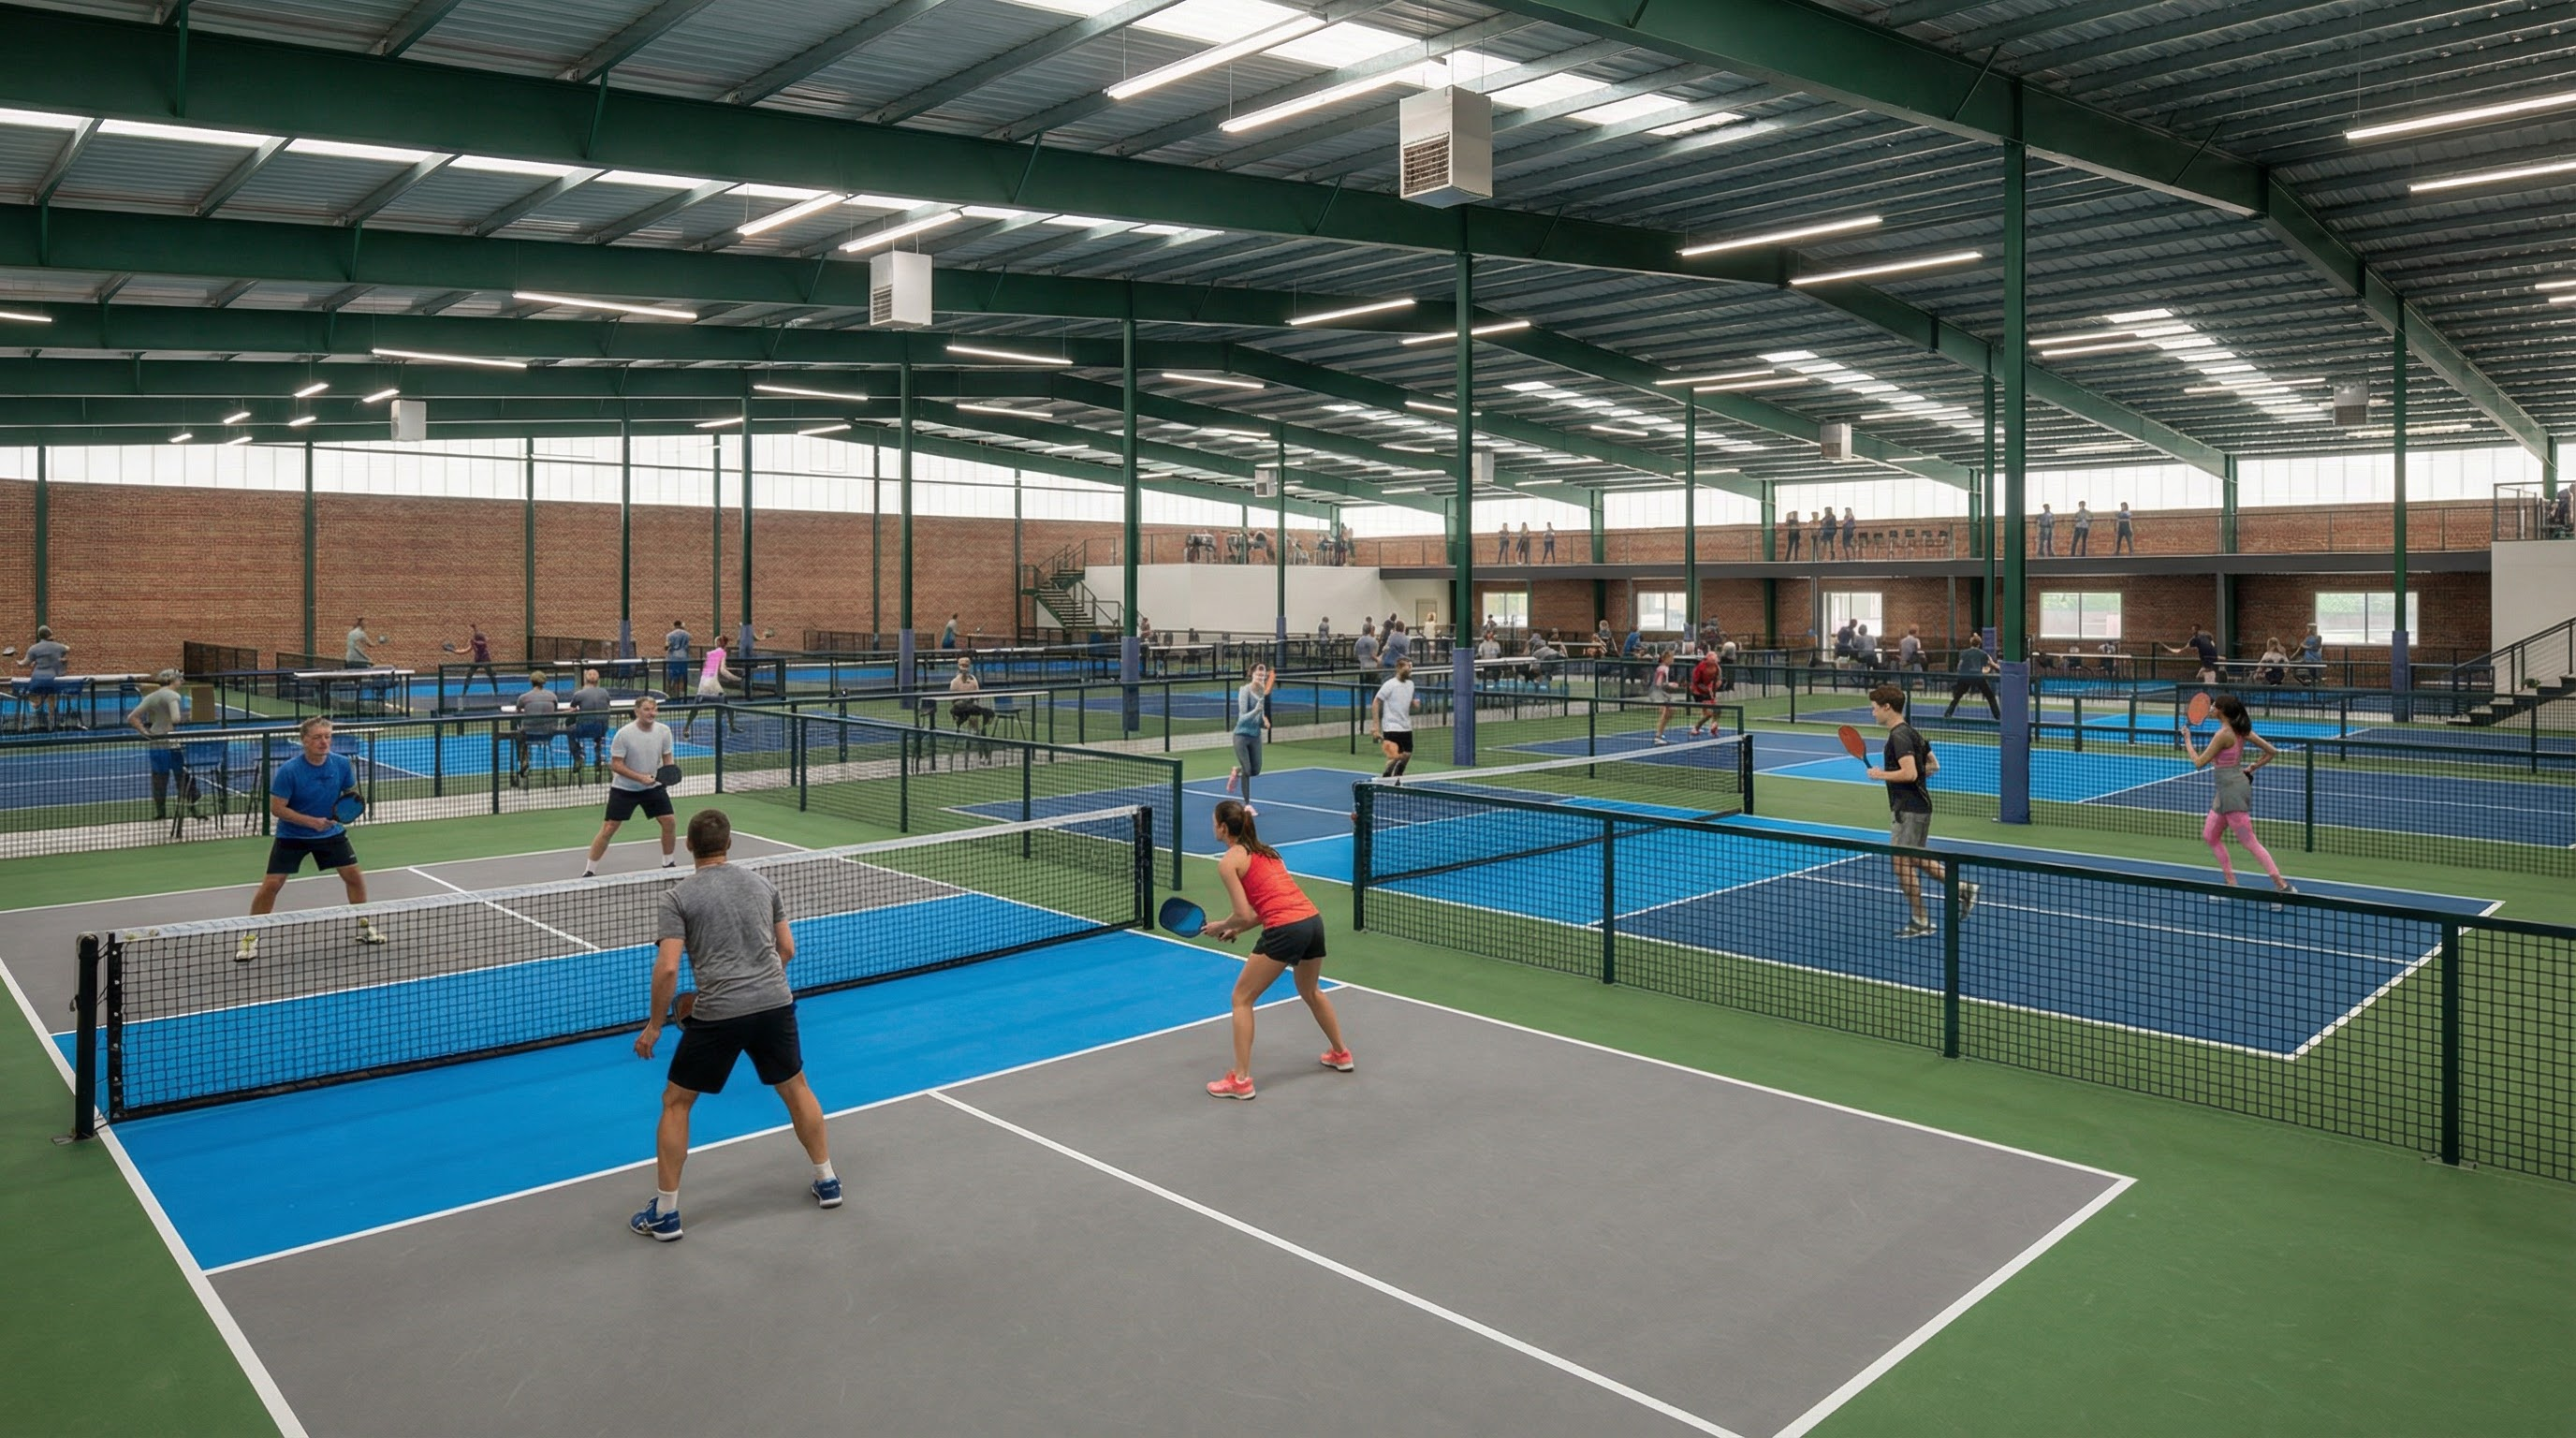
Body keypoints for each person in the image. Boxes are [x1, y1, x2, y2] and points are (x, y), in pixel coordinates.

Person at [628, 808, 840, 1240]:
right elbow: (787, 949)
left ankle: (665, 1213)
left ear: (689, 845)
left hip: (720, 1012)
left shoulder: (677, 897)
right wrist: (759, 984)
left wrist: (654, 1026)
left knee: (676, 1102)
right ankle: (828, 1180)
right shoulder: (762, 884)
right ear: (728, 844)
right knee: (796, 1087)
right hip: (775, 1003)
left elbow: (668, 968)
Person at [1200, 800, 1350, 1100]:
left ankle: (1240, 1080)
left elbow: (1243, 912)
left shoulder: (1229, 862)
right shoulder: (1269, 852)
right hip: (1311, 922)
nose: (1212, 826)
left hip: (1285, 929)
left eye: (1214, 822)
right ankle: (1341, 1053)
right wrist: (1237, 929)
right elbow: (1266, 906)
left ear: (1223, 828)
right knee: (1311, 990)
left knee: (1241, 999)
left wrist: (1220, 925)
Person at [238, 715, 387, 961]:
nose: (324, 742)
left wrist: (343, 812)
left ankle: (364, 926)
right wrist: (311, 822)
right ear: (304, 740)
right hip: (292, 835)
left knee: (354, 877)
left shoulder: (341, 764)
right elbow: (277, 809)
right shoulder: (289, 771)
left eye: (327, 736)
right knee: (272, 885)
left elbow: (349, 794)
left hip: (330, 832)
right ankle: (249, 937)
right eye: (317, 737)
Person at [1862, 685, 1977, 940]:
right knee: (1915, 857)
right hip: (1919, 807)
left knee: (1900, 863)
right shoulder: (1912, 732)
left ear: (1887, 707)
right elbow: (1933, 766)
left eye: (1874, 708)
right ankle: (1963, 888)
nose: (1873, 713)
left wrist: (1881, 775)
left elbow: (1910, 773)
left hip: (1908, 810)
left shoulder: (1898, 737)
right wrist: (1910, 776)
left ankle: (1921, 920)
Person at [2179, 695, 2293, 898]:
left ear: (2221, 711)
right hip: (2226, 790)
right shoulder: (2241, 730)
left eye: (2214, 706)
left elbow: (2198, 762)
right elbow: (2271, 751)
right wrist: (2253, 767)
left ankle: (2283, 885)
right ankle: (2231, 883)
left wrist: (2187, 739)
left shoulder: (2223, 734)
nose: (2211, 708)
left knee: (2249, 841)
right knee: (2210, 835)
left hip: (2232, 792)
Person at [585, 694, 681, 876]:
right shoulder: (624, 734)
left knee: (669, 822)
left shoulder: (664, 731)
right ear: (637, 712)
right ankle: (589, 870)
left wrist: (667, 774)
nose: (652, 713)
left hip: (653, 787)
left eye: (654, 709)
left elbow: (667, 757)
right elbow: (616, 765)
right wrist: (640, 778)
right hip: (624, 789)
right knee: (609, 828)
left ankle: (668, 863)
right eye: (647, 709)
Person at [126, 668, 187, 818]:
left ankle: (161, 812)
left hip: (156, 740)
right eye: (179, 679)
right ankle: (190, 807)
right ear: (173, 680)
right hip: (171, 742)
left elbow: (132, 717)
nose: (181, 681)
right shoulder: (173, 696)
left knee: (159, 778)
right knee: (181, 775)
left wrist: (146, 733)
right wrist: (187, 717)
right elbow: (176, 719)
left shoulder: (152, 696)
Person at [1226, 664, 1272, 813]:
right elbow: (1242, 718)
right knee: (1248, 769)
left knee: (1255, 770)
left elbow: (1259, 717)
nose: (1260, 677)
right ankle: (1247, 804)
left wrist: (1264, 723)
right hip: (1241, 736)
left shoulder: (1262, 693)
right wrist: (1257, 711)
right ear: (1252, 674)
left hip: (1255, 737)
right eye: (1258, 675)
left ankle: (1237, 771)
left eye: (1263, 676)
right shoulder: (1244, 690)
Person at [13, 624, 69, 731]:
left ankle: (37, 705)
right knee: (51, 695)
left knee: (34, 693)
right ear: (50, 634)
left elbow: (23, 664)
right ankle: (51, 718)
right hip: (53, 679)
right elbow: (67, 648)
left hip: (37, 680)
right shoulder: (59, 647)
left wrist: (18, 662)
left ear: (40, 636)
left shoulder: (33, 648)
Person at [1369, 658, 1415, 782]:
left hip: (1406, 726)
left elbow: (1404, 699)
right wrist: (1375, 726)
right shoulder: (1389, 685)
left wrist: (1413, 703)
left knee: (1407, 754)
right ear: (1399, 668)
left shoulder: (1411, 685)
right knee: (1394, 756)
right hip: (1391, 727)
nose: (1410, 670)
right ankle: (1386, 779)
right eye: (1407, 667)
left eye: (1411, 667)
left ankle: (1397, 777)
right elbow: (1376, 702)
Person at [682, 640, 739, 739]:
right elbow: (723, 671)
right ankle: (730, 727)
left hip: (703, 683)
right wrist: (737, 679)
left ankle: (686, 727)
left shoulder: (710, 654)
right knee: (725, 705)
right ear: (725, 645)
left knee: (695, 708)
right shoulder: (722, 653)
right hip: (712, 684)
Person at [512, 671, 561, 785]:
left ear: (531, 682)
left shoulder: (524, 697)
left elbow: (517, 712)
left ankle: (523, 760)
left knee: (519, 737)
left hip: (529, 734)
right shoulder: (552, 696)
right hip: (549, 733)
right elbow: (555, 710)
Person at [568, 668, 614, 777]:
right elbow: (608, 704)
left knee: (569, 731)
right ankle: (599, 758)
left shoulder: (579, 694)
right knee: (598, 737)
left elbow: (572, 708)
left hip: (584, 729)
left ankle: (578, 757)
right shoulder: (604, 692)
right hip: (602, 728)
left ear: (585, 680)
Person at [1944, 636, 1999, 719]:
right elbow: (1992, 665)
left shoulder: (1964, 653)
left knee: (1957, 697)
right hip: (1978, 677)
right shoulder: (1983, 654)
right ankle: (1997, 716)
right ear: (1979, 644)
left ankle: (1948, 713)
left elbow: (1959, 666)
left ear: (1971, 643)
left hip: (1966, 677)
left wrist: (1961, 675)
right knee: (1990, 697)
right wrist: (2000, 669)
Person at [947, 656, 993, 733]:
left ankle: (979, 729)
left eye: (966, 666)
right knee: (970, 711)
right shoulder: (955, 681)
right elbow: (954, 700)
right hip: (959, 707)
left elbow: (977, 695)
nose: (964, 668)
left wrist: (972, 700)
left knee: (975, 712)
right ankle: (972, 729)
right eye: (962, 665)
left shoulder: (973, 679)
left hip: (971, 705)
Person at [1646, 647, 1681, 744]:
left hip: (1661, 692)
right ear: (1666, 658)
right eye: (1671, 658)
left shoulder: (1665, 668)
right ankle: (1658, 736)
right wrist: (1670, 685)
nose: (1673, 660)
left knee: (1670, 711)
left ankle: (1659, 732)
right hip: (1657, 693)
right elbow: (1658, 683)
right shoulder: (1663, 669)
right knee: (1667, 712)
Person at [1687, 646, 1723, 735]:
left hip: (1709, 690)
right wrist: (1706, 689)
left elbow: (1718, 679)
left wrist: (1717, 684)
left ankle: (1714, 726)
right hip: (1698, 692)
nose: (1714, 662)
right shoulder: (1700, 668)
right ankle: (1695, 728)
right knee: (1708, 713)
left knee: (1718, 710)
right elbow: (1697, 682)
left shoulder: (1717, 668)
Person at [453, 623, 498, 695]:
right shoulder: (474, 643)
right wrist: (454, 651)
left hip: (485, 659)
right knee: (469, 674)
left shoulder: (482, 643)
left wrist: (474, 641)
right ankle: (464, 692)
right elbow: (464, 651)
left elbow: (481, 643)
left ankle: (496, 691)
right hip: (477, 660)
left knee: (490, 675)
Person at [664, 620, 692, 699]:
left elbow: (666, 646)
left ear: (674, 626)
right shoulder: (687, 634)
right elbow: (689, 643)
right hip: (684, 657)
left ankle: (670, 691)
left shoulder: (669, 635)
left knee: (671, 675)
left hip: (673, 657)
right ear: (681, 625)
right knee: (683, 675)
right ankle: (682, 693)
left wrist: (668, 647)